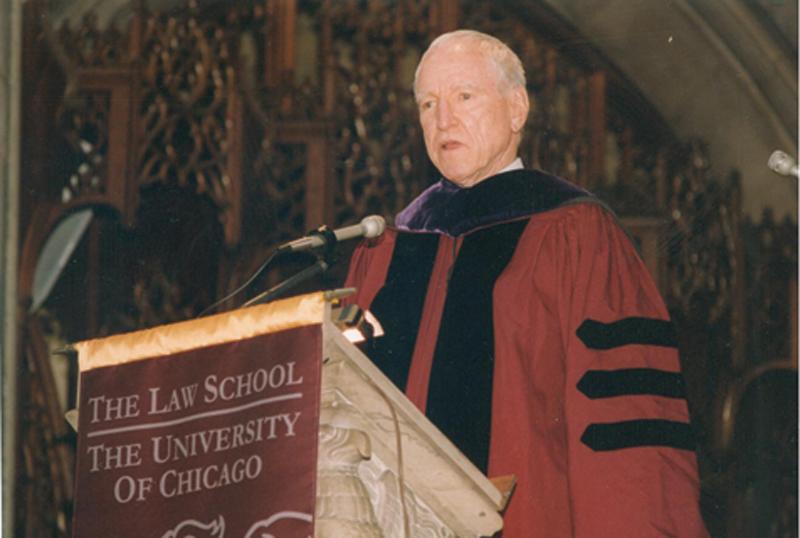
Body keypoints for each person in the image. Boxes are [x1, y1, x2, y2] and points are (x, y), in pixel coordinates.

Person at [344, 29, 708, 537]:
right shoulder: (389, 246)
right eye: (428, 104)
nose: (443, 119)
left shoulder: (576, 234)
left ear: (517, 109)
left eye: (464, 97)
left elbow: (627, 436)